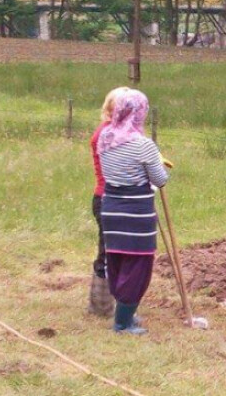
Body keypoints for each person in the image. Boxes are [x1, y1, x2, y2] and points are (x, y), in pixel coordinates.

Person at [97, 89, 169, 335]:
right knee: (138, 265)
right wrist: (158, 166)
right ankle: (122, 323)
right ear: (139, 113)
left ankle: (125, 314)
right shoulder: (143, 144)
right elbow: (160, 179)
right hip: (136, 211)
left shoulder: (104, 138)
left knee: (117, 258)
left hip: (111, 207)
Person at [87, 86, 130, 317]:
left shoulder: (120, 132)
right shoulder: (107, 134)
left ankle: (115, 303)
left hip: (119, 198)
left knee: (120, 251)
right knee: (108, 252)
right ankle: (102, 306)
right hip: (108, 198)